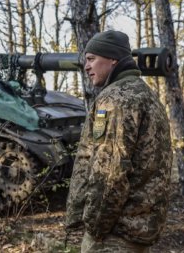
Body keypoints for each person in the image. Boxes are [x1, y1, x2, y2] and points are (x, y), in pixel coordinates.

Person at [65, 30, 173, 252]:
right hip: (138, 228)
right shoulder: (146, 95)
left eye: (91, 59)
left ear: (113, 59)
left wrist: (95, 229)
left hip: (114, 235)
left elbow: (109, 173)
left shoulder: (115, 99)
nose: (86, 67)